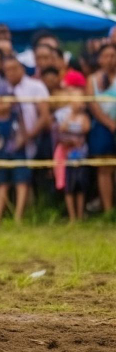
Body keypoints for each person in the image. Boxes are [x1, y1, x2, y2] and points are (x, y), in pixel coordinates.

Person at [86, 43, 116, 213]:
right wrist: (108, 123)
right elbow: (92, 105)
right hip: (101, 129)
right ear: (99, 59)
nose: (110, 59)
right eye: (106, 56)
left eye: (113, 55)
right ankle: (108, 209)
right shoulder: (92, 79)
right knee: (104, 169)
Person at [55, 100, 90, 222]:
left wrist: (70, 128)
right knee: (69, 187)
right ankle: (72, 217)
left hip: (80, 158)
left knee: (80, 187)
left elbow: (86, 128)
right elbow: (61, 129)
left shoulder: (84, 117)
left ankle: (80, 215)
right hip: (68, 158)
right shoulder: (66, 117)